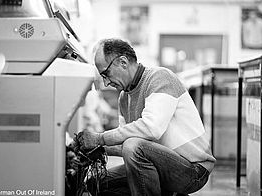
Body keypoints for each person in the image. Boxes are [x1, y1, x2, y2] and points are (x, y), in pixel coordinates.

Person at [77, 38, 216, 196]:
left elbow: (151, 129)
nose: (106, 82)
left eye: (106, 73)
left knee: (134, 147)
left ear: (123, 62)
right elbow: (124, 144)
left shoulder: (160, 78)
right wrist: (98, 149)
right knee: (96, 183)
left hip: (193, 170)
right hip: (161, 163)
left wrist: (100, 138)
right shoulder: (124, 97)